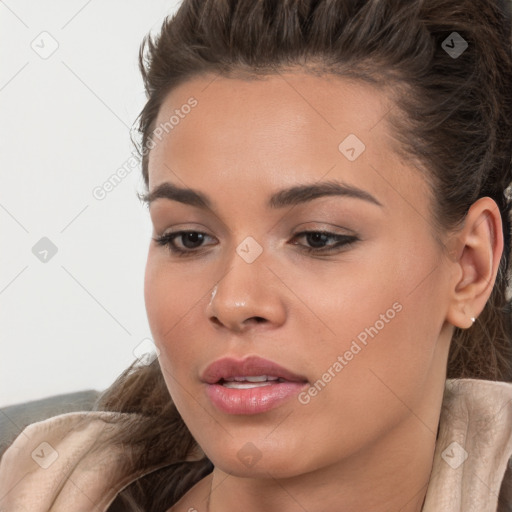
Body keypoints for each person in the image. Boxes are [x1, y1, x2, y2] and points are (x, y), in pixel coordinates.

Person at [1, 0, 512, 510]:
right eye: (189, 238)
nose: (234, 301)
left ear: (470, 267)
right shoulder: (33, 485)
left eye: (318, 237)